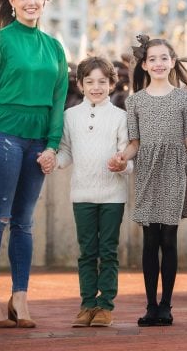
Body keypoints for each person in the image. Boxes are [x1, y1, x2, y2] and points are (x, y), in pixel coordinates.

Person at [0, 0, 68, 329]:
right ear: (11, 1)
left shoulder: (54, 47)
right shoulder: (0, 41)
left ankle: (19, 297)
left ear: (45, 0)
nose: (30, 2)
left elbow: (58, 101)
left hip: (37, 142)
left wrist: (53, 144)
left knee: (24, 223)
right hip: (2, 136)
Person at [118, 35, 187, 327]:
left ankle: (166, 306)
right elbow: (134, 143)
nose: (158, 63)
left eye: (164, 58)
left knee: (168, 239)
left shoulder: (186, 98)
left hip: (174, 169)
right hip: (147, 171)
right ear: (144, 65)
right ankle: (150, 306)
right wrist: (122, 156)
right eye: (152, 59)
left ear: (172, 62)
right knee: (150, 240)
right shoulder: (133, 101)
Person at [55, 56, 132, 328]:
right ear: (80, 84)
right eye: (90, 82)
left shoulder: (121, 117)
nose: (96, 87)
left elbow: (129, 158)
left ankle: (105, 306)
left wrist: (121, 164)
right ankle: (87, 304)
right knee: (87, 252)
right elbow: (64, 152)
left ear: (112, 84)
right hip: (82, 195)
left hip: (113, 197)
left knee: (108, 251)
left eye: (102, 81)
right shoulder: (70, 116)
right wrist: (53, 161)